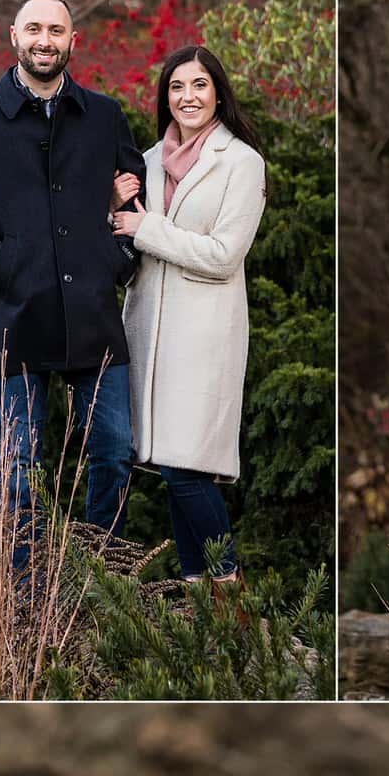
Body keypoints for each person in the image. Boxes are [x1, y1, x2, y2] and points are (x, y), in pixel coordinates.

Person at [0, 0, 146, 579]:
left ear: (74, 42)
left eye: (56, 30)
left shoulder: (104, 116)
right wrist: (8, 272)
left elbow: (135, 200)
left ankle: (104, 586)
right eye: (34, 29)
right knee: (20, 462)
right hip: (18, 320)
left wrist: (114, 261)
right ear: (13, 37)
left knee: (113, 451)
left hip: (94, 317)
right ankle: (25, 591)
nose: (44, 39)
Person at [111, 45, 266, 581]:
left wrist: (146, 228)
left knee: (187, 467)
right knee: (173, 468)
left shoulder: (242, 163)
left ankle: (231, 594)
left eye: (199, 85)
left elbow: (225, 256)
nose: (187, 97)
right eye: (177, 87)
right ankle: (201, 596)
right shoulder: (148, 162)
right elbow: (128, 252)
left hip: (204, 339)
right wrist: (117, 208)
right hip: (149, 334)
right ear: (165, 97)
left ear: (218, 92)